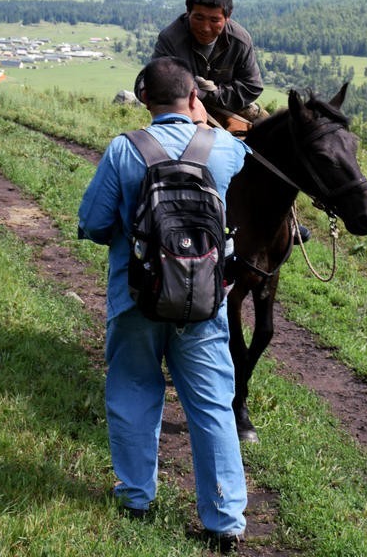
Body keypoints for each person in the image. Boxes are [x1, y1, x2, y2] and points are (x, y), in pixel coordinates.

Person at [78, 56, 250, 553]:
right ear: (194, 98)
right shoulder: (225, 150)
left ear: (143, 99)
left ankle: (136, 498)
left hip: (135, 296)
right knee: (212, 405)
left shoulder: (123, 149)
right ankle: (224, 519)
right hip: (203, 301)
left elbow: (91, 223)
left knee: (133, 389)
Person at [152, 0, 264, 126]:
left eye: (214, 20)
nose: (205, 28)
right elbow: (148, 84)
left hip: (230, 111)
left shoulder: (240, 41)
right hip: (183, 114)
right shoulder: (171, 39)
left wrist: (210, 94)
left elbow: (252, 86)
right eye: (199, 17)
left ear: (228, 16)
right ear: (188, 11)